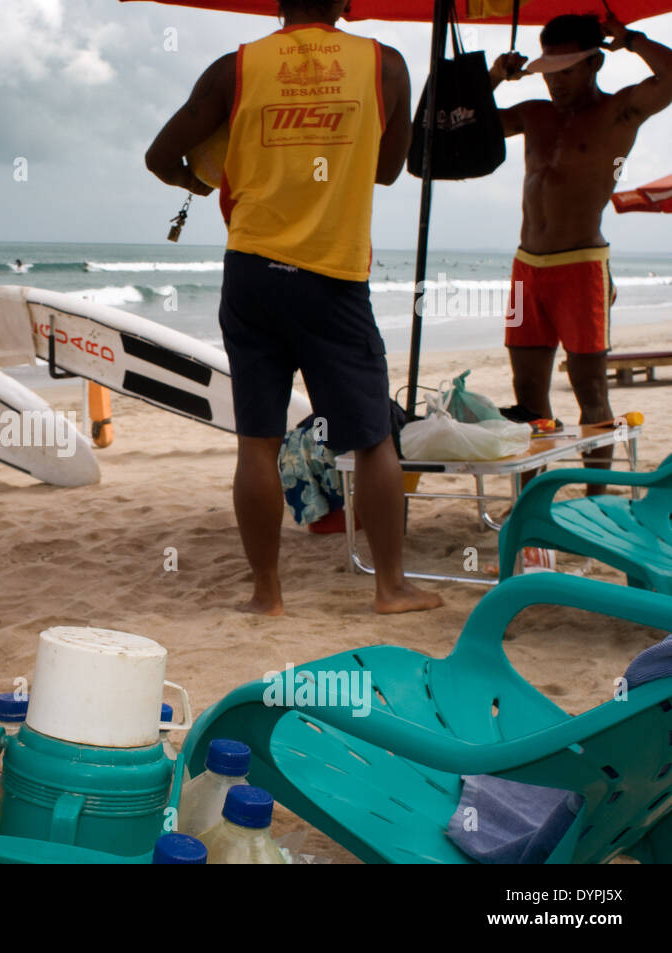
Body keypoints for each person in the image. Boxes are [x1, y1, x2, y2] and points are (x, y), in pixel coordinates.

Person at [146, 0, 441, 615]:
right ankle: (390, 588)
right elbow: (389, 170)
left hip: (253, 268)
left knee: (257, 442)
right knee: (373, 442)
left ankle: (267, 594)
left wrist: (197, 180)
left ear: (279, 3)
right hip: (331, 272)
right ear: (345, 3)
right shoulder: (385, 65)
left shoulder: (236, 67)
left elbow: (159, 158)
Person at [490, 14, 672, 485]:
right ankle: (532, 499)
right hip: (525, 267)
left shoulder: (618, 111)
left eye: (566, 69)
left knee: (589, 386)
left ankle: (596, 495)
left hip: (582, 267)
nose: (555, 80)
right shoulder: (534, 113)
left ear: (594, 62)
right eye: (548, 69)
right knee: (526, 391)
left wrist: (633, 40)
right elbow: (459, 129)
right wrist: (491, 78)